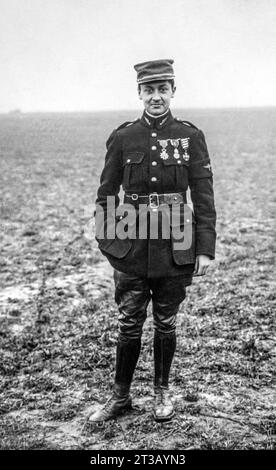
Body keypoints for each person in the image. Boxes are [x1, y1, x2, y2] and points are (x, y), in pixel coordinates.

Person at [90, 59, 216, 423]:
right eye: (149, 90)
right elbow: (105, 195)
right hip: (132, 244)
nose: (156, 97)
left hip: (177, 240)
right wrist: (108, 241)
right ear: (140, 93)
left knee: (166, 322)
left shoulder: (190, 136)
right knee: (128, 322)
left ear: (173, 91)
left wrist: (205, 249)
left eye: (163, 89)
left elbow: (204, 196)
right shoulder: (124, 136)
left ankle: (162, 393)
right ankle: (120, 397)